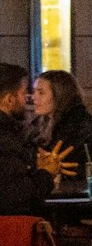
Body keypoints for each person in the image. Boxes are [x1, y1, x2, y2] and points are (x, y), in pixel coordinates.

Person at [0, 63, 64, 215]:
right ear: (9, 99)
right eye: (23, 94)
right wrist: (47, 173)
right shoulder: (5, 137)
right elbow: (18, 196)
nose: (28, 100)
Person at [31, 71, 92, 189]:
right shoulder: (42, 121)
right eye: (34, 91)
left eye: (41, 93)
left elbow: (68, 167)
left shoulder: (77, 123)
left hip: (78, 191)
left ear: (60, 94)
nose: (34, 97)